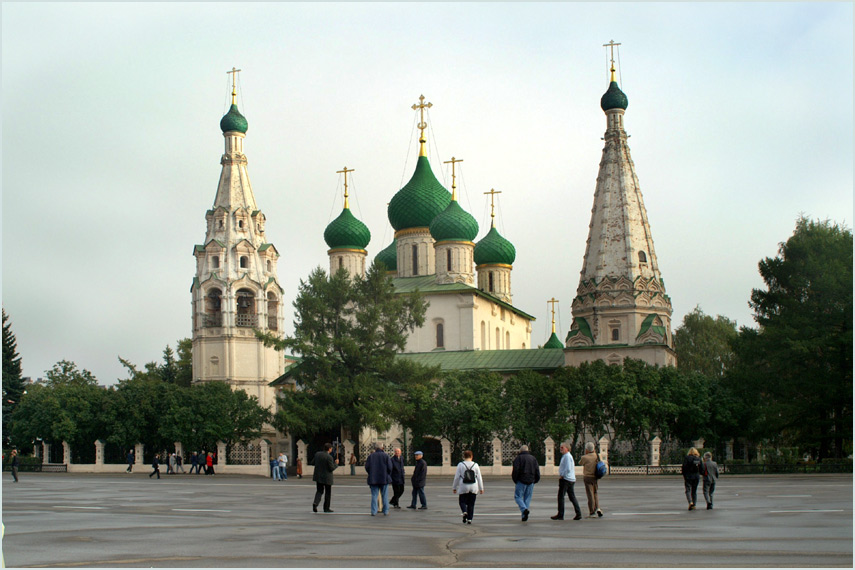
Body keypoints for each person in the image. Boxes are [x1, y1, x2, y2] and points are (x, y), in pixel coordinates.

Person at [452, 450, 484, 524]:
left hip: (463, 486)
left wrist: (454, 487)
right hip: (473, 486)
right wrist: (481, 488)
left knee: (462, 501)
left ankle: (464, 511)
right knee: (471, 503)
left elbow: (457, 477)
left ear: (464, 456)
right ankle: (470, 519)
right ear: (471, 456)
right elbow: (479, 477)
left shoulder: (460, 465)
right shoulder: (475, 465)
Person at [552, 443, 582, 521]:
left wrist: (562, 475)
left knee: (561, 496)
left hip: (566, 479)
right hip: (570, 479)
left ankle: (560, 514)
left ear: (567, 448)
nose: (561, 448)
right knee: (572, 497)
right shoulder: (566, 456)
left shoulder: (567, 457)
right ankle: (578, 513)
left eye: (562, 447)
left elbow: (568, 468)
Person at [511, 444, 540, 521]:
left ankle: (524, 510)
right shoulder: (533, 459)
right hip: (531, 481)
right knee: (527, 498)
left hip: (521, 480)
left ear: (520, 451)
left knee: (518, 497)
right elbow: (537, 470)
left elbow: (515, 470)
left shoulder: (518, 458)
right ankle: (524, 516)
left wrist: (515, 479)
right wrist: (536, 479)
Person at [364, 443, 393, 516]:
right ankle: (386, 511)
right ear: (382, 448)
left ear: (375, 448)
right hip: (384, 478)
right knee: (384, 495)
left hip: (373, 478)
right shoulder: (386, 456)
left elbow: (367, 467)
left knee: (374, 495)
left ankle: (374, 511)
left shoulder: (371, 456)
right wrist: (387, 474)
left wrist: (371, 473)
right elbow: (390, 467)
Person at [578, 442, 603, 517]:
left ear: (587, 449)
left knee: (590, 494)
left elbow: (580, 463)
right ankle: (598, 507)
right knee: (595, 493)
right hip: (595, 477)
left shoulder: (584, 457)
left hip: (587, 477)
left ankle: (592, 511)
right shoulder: (597, 456)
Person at [312, 443, 338, 513]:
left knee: (319, 491)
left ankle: (315, 503)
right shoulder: (329, 457)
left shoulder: (317, 454)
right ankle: (326, 508)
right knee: (327, 493)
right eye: (331, 449)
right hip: (327, 477)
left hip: (318, 476)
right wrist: (336, 464)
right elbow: (331, 468)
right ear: (329, 449)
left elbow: (313, 462)